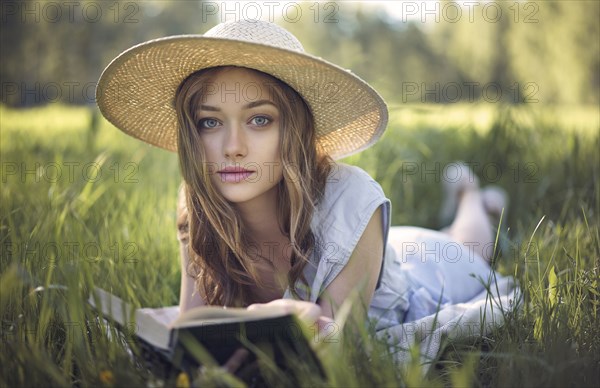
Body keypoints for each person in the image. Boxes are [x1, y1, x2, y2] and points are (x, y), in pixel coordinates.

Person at [96, 19, 510, 370]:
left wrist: (287, 319)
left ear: (292, 130)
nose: (232, 146)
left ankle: (472, 195)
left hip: (422, 273)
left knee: (467, 247)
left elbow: (335, 346)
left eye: (260, 119)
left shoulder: (352, 197)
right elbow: (193, 324)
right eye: (210, 123)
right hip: (377, 249)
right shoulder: (196, 203)